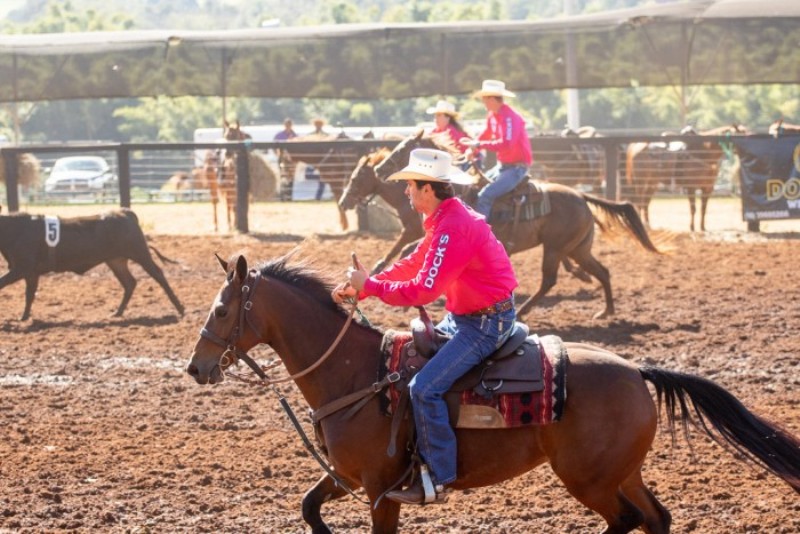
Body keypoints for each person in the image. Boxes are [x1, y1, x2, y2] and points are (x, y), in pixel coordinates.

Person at [332, 148, 519, 505]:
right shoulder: (443, 218)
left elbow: (425, 289)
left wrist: (370, 286)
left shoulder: (453, 226)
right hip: (471, 315)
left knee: (424, 388)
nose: (405, 191)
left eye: (410, 185)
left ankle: (439, 476)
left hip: (485, 323)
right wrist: (367, 286)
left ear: (428, 190)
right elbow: (415, 262)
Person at [460, 79, 533, 221]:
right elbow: (484, 135)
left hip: (516, 169)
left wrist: (478, 144)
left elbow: (507, 143)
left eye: (485, 98)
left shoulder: (510, 118)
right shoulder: (493, 116)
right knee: (476, 187)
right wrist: (472, 148)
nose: (483, 102)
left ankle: (481, 235)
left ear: (493, 99)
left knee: (485, 195)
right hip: (503, 167)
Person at [425, 100, 471, 168]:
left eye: (439, 115)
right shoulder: (435, 131)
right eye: (435, 115)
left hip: (463, 162)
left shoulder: (452, 131)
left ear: (448, 118)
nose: (436, 118)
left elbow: (458, 153)